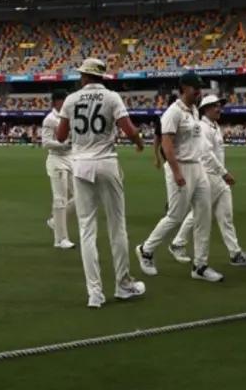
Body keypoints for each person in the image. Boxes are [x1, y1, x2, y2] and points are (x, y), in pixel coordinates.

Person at [54, 58, 149, 308]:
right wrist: (139, 142)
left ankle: (94, 294)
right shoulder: (112, 97)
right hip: (106, 162)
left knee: (87, 230)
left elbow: (60, 135)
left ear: (85, 76)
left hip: (81, 164)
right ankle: (123, 285)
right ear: (102, 77)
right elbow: (128, 128)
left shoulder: (71, 99)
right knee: (117, 226)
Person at [137, 72, 229, 283]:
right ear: (183, 88)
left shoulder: (195, 111)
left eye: (200, 88)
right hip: (181, 167)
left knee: (203, 216)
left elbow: (197, 143)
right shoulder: (173, 112)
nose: (199, 91)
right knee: (175, 216)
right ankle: (146, 250)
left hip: (198, 167)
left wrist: (217, 170)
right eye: (195, 87)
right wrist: (177, 172)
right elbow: (167, 145)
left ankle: (200, 266)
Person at [170, 94, 246, 268]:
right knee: (199, 214)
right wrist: (224, 173)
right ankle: (178, 243)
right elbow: (206, 154)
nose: (219, 109)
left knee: (226, 217)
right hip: (209, 175)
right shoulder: (202, 127)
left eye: (220, 105)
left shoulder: (214, 126)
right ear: (205, 109)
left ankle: (235, 253)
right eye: (215, 106)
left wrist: (222, 175)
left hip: (218, 177)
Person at [41, 88, 75, 249]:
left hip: (71, 158)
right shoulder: (50, 119)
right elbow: (46, 142)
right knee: (60, 199)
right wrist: (63, 145)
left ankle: (55, 221)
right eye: (64, 100)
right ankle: (60, 239)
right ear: (56, 102)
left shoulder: (70, 116)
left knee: (81, 197)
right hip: (56, 159)